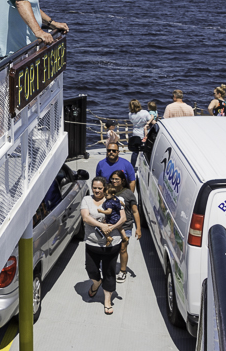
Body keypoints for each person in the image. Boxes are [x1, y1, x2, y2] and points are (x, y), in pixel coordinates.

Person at [81, 176, 125, 315]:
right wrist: (102, 225)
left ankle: (107, 301)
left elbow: (123, 218)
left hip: (112, 244)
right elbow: (85, 218)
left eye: (100, 188)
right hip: (92, 243)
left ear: (105, 188)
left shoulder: (115, 200)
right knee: (91, 269)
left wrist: (110, 228)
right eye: (94, 188)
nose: (97, 190)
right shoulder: (87, 200)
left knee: (109, 272)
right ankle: (96, 283)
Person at [109, 170, 141, 283]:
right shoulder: (108, 191)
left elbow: (135, 211)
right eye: (112, 179)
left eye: (116, 179)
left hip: (125, 226)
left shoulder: (128, 194)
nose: (114, 181)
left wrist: (138, 228)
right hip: (111, 225)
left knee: (122, 249)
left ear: (123, 180)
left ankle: (123, 271)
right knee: (111, 248)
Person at [127, 100, 152, 167]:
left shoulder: (130, 114)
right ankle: (146, 166)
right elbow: (150, 120)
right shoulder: (145, 112)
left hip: (135, 134)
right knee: (145, 151)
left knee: (135, 152)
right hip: (144, 134)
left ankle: (132, 166)